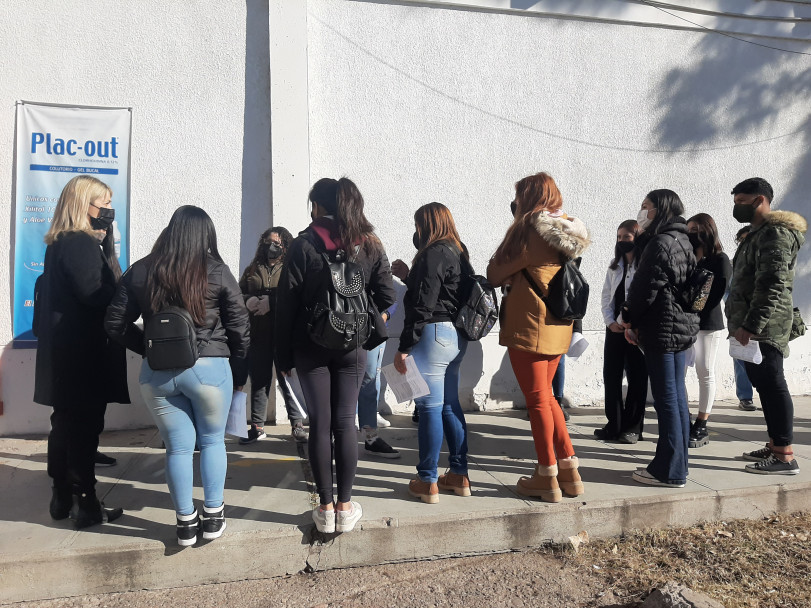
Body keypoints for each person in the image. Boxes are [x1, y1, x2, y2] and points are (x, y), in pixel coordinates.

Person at [105, 205, 250, 545]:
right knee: (213, 441)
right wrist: (239, 362)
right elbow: (240, 324)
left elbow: (114, 323)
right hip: (209, 369)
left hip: (157, 376)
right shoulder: (216, 270)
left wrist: (149, 348)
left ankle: (185, 522)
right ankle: (213, 516)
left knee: (177, 449)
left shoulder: (141, 270)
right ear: (206, 235)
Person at [275, 177, 396, 532]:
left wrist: (282, 358)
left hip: (309, 346)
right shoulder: (370, 244)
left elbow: (286, 304)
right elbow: (387, 295)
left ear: (319, 206)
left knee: (320, 424)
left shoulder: (303, 244)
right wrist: (368, 318)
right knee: (346, 422)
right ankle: (345, 506)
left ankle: (325, 509)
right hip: (354, 346)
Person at [487, 172, 590, 503]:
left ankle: (546, 475)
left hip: (530, 324)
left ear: (529, 197)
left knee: (537, 401)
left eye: (519, 196)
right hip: (559, 323)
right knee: (547, 397)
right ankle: (570, 471)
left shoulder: (529, 228)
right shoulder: (566, 228)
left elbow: (494, 272)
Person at [34, 175, 129, 529]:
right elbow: (95, 294)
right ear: (81, 204)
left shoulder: (61, 242)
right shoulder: (79, 243)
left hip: (67, 354)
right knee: (83, 429)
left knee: (64, 425)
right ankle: (86, 503)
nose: (107, 210)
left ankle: (62, 496)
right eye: (102, 204)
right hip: (84, 355)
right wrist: (126, 297)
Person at [726, 177, 806, 475]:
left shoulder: (774, 235)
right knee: (764, 385)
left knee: (773, 385)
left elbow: (772, 284)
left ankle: (785, 456)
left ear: (760, 199)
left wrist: (751, 324)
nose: (736, 209)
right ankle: (774, 444)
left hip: (765, 327)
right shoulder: (756, 234)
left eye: (741, 202)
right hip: (750, 325)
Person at [619, 189, 699, 488]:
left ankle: (669, 470)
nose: (642, 212)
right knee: (676, 399)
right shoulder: (683, 240)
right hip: (680, 327)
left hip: (662, 329)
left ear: (660, 209)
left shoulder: (660, 242)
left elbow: (644, 289)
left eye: (646, 207)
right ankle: (678, 465)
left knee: (666, 401)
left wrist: (629, 319)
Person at [393, 202, 471, 504]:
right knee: (450, 405)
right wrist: (409, 276)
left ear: (426, 225)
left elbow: (424, 304)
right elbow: (446, 292)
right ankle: (459, 474)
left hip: (433, 335)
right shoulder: (458, 251)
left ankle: (427, 480)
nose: (416, 231)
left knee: (428, 408)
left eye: (417, 225)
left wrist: (404, 347)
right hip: (456, 337)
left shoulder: (432, 252)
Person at [239, 227, 308, 444]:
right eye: (268, 241)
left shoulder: (290, 267)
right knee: (259, 379)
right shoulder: (252, 269)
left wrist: (273, 302)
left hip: (283, 333)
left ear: (285, 246)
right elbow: (237, 294)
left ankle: (296, 424)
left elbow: (297, 296)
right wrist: (249, 300)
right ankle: (257, 425)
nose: (272, 246)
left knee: (287, 378)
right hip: (257, 332)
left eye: (277, 243)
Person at [596, 219, 647, 444]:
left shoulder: (645, 266)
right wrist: (610, 321)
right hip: (614, 329)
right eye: (619, 237)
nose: (622, 241)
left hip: (636, 330)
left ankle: (633, 427)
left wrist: (628, 323)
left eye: (626, 237)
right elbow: (607, 296)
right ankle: (613, 424)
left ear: (636, 238)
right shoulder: (614, 266)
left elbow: (644, 297)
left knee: (637, 377)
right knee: (611, 375)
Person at [685, 213, 732, 448]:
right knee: (680, 373)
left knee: (705, 371)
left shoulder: (720, 259)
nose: (691, 234)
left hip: (707, 324)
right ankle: (684, 420)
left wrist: (693, 313)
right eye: (689, 229)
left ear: (708, 230)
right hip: (684, 323)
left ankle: (701, 424)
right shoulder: (688, 258)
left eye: (696, 229)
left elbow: (715, 295)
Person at [357, 301, 400, 459]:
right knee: (339, 384)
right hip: (338, 327)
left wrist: (384, 315)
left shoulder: (378, 274)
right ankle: (334, 437)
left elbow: (389, 293)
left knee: (370, 382)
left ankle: (371, 438)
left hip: (372, 331)